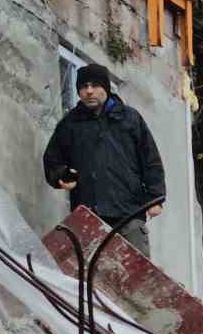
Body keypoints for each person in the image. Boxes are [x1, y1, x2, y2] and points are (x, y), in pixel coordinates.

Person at [42, 63, 166, 256]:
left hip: (129, 213)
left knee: (135, 270)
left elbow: (150, 159)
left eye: (95, 85)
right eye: (84, 87)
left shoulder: (129, 119)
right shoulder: (70, 124)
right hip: (89, 215)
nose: (89, 91)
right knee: (91, 272)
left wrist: (155, 197)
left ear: (106, 88)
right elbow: (52, 159)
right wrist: (61, 175)